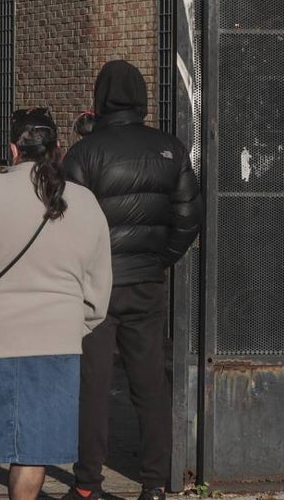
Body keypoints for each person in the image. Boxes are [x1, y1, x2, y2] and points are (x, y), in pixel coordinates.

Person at [0, 107, 113, 500]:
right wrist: (73, 323)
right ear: (59, 149)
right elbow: (99, 289)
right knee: (33, 450)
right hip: (56, 342)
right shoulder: (84, 201)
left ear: (13, 149)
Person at [62, 60, 203, 500]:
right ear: (142, 98)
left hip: (95, 287)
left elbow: (67, 221)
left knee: (93, 385)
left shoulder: (84, 154)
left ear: (100, 100)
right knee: (149, 384)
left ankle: (87, 484)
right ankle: (155, 484)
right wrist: (160, 258)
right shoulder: (171, 149)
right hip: (147, 281)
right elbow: (188, 216)